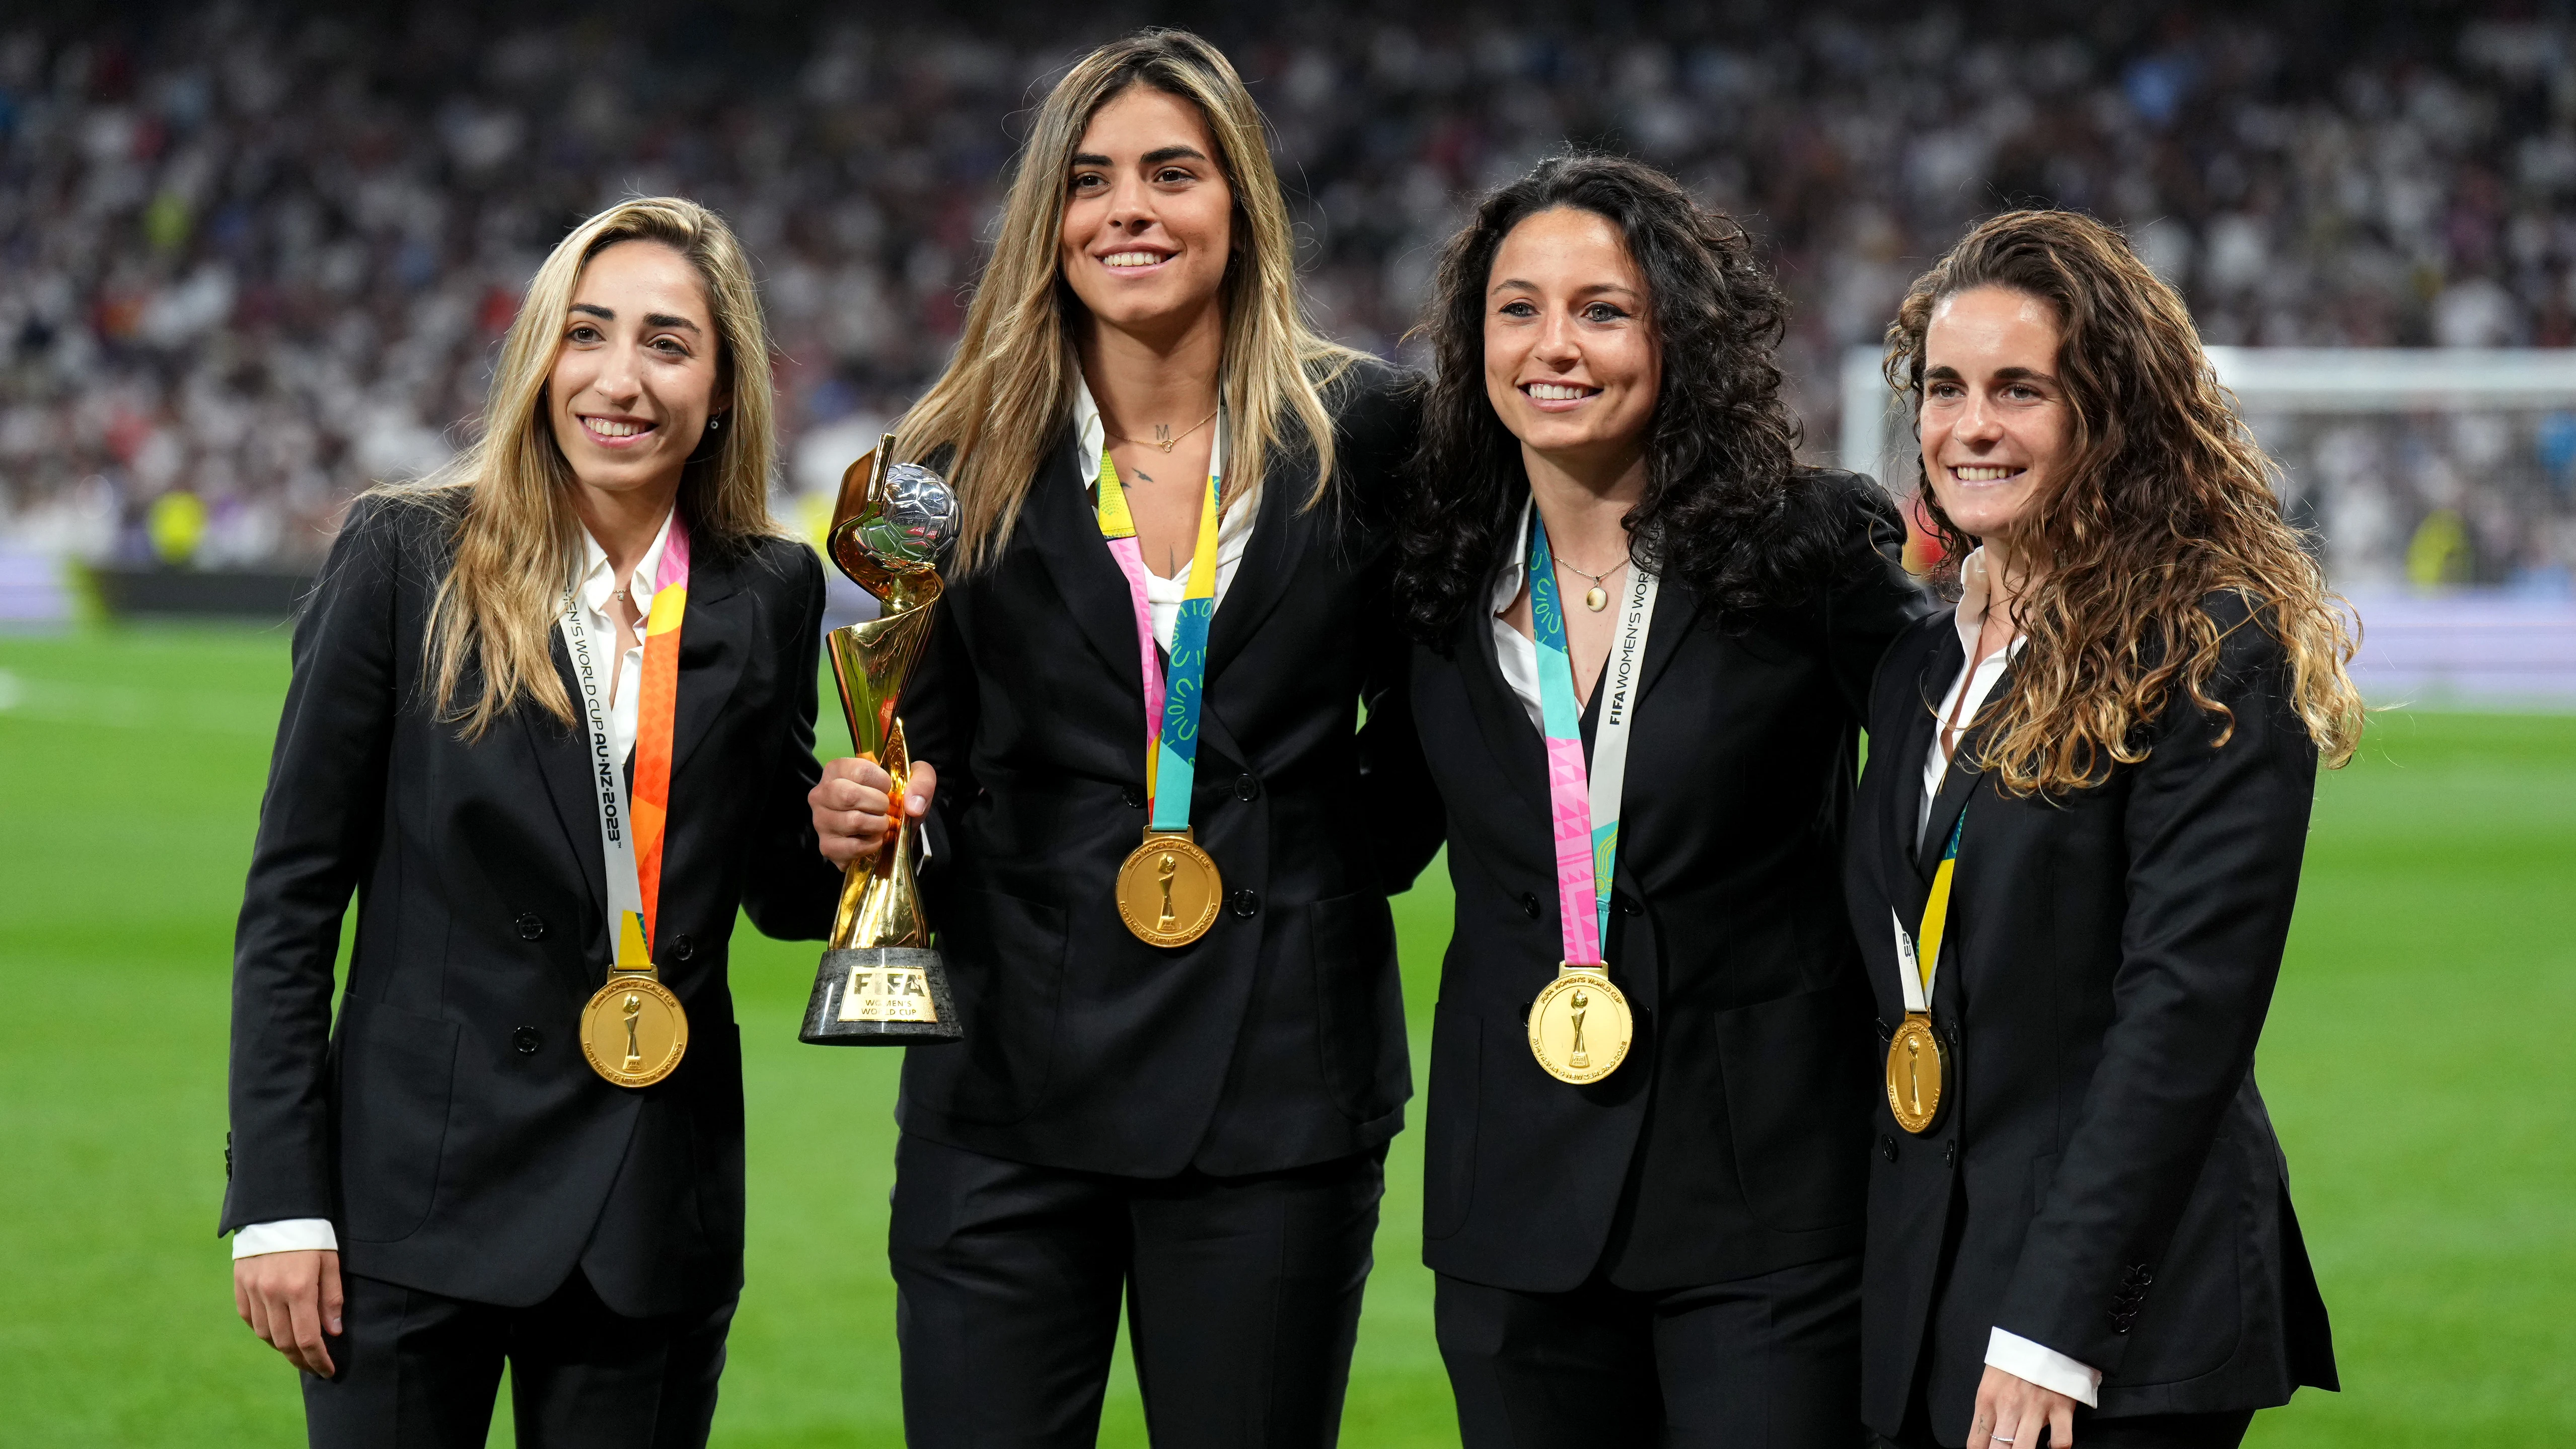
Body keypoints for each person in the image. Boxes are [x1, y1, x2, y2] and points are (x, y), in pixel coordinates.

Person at [803, 29, 1433, 1448]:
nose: (1127, 209)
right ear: (1049, 220)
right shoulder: (937, 459)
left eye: (1171, 172)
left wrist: (1323, 862)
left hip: (1279, 1082)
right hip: (1005, 1089)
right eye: (1089, 181)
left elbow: (1433, 714)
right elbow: (924, 747)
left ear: (1240, 202)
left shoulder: (1373, 435)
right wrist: (873, 810)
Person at [222, 197, 840, 1447]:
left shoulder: (770, 589)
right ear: (539, 357)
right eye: (587, 333)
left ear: (722, 388)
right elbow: (292, 898)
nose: (620, 379)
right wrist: (281, 1200)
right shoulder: (407, 554)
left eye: (668, 343)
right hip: (410, 1203)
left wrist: (848, 835)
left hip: (646, 1205)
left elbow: (779, 889)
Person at [1391, 155, 1930, 1447]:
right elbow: (1363, 823)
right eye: (1515, 308)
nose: (1551, 345)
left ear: (1676, 335)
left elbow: (1964, 760)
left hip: (1763, 1206)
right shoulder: (1433, 572)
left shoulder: (1803, 546)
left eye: (1602, 309)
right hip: (1510, 1203)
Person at [1848, 209, 2359, 1449]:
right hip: (1936, 1281)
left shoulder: (2207, 647)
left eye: (2019, 390)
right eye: (1945, 389)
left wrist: (2048, 1329)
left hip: (2111, 1324)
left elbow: (2180, 1016)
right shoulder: (1923, 659)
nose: (1971, 425)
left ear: (2106, 412)